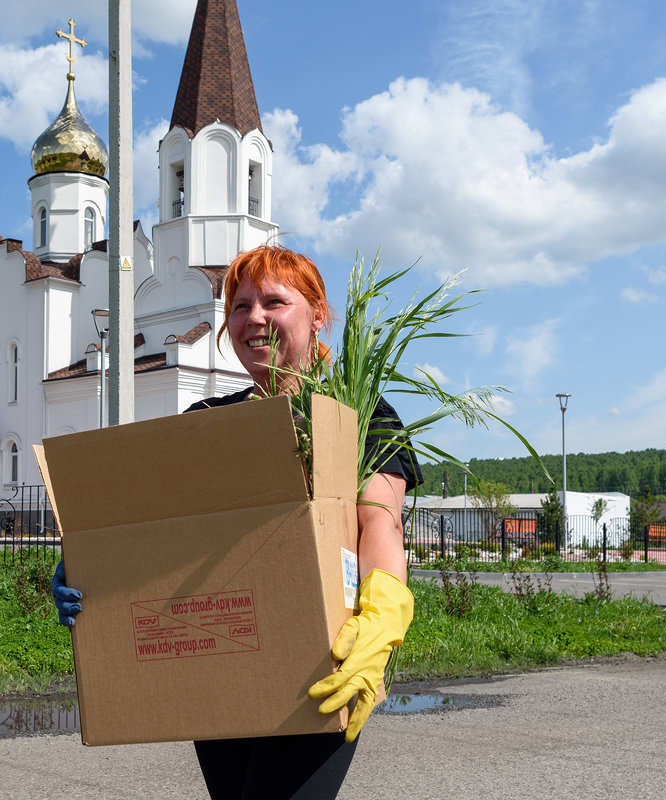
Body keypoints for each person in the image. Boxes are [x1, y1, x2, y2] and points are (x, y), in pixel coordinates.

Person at [51, 244, 421, 799]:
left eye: (275, 301)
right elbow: (162, 534)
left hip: (320, 664)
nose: (255, 319)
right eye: (240, 305)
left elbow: (380, 524)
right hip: (220, 655)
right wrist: (91, 566)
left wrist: (383, 618)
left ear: (318, 314)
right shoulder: (206, 422)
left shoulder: (360, 413)